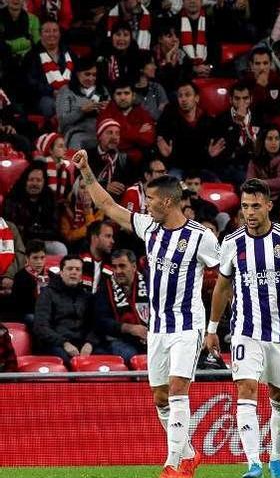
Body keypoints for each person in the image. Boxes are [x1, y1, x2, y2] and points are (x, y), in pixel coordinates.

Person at [71, 149, 220, 478]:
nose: (145, 203)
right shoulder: (149, 228)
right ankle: (191, 454)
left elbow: (227, 274)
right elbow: (108, 206)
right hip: (158, 328)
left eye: (150, 198)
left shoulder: (201, 238)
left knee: (179, 388)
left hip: (187, 325)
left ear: (166, 202)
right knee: (160, 396)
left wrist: (214, 325)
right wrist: (86, 172)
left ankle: (172, 466)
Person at [207, 178, 280, 478]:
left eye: (256, 206)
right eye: (245, 207)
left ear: (269, 205)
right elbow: (221, 289)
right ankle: (253, 463)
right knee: (246, 388)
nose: (250, 212)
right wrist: (212, 328)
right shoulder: (232, 243)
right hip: (245, 330)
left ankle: (277, 458)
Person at [33, 254, 99, 365]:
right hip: (56, 345)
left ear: (81, 274)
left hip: (84, 345)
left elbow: (96, 325)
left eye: (78, 269)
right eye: (69, 269)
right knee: (67, 362)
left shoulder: (88, 297)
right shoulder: (47, 294)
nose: (74, 272)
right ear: (61, 272)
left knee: (103, 360)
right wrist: (64, 343)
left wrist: (89, 343)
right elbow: (40, 326)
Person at [94, 248, 149, 364]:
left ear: (134, 267)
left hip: (152, 337)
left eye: (122, 266)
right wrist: (130, 328)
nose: (118, 271)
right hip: (121, 339)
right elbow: (101, 321)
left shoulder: (150, 283)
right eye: (114, 267)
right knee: (131, 356)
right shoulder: (105, 288)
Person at [10, 239, 48, 324]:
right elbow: (20, 306)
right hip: (28, 313)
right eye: (35, 258)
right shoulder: (20, 277)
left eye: (42, 258)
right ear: (27, 258)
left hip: (47, 312)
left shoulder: (50, 276)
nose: (39, 262)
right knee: (34, 319)